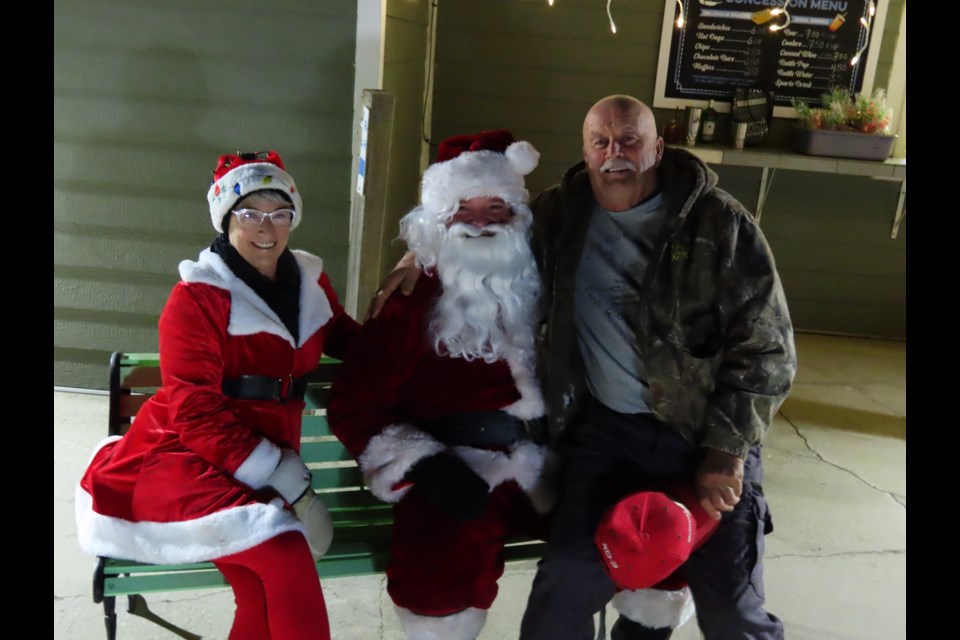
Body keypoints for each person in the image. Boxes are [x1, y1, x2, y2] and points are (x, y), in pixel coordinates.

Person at [368, 95, 797, 640]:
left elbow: (769, 351)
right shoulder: (559, 215)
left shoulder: (720, 224)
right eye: (601, 142)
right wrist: (415, 255)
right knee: (563, 591)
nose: (614, 154)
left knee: (733, 612)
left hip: (703, 437)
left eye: (629, 141)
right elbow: (475, 228)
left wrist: (727, 451)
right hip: (608, 435)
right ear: (586, 151)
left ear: (658, 148)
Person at [75, 150, 360, 640]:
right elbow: (193, 413)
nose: (265, 228)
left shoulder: (310, 282)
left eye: (279, 214)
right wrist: (288, 480)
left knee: (257, 586)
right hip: (183, 458)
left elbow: (357, 345)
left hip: (260, 456)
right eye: (249, 214)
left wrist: (415, 296)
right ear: (226, 217)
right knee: (282, 550)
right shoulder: (197, 298)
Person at [326, 130, 557, 640]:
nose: (478, 223)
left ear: (517, 215)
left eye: (495, 208)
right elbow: (353, 403)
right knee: (437, 578)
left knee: (631, 527)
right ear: (437, 220)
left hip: (545, 464)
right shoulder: (413, 298)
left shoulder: (541, 279)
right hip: (457, 462)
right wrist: (426, 465)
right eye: (461, 209)